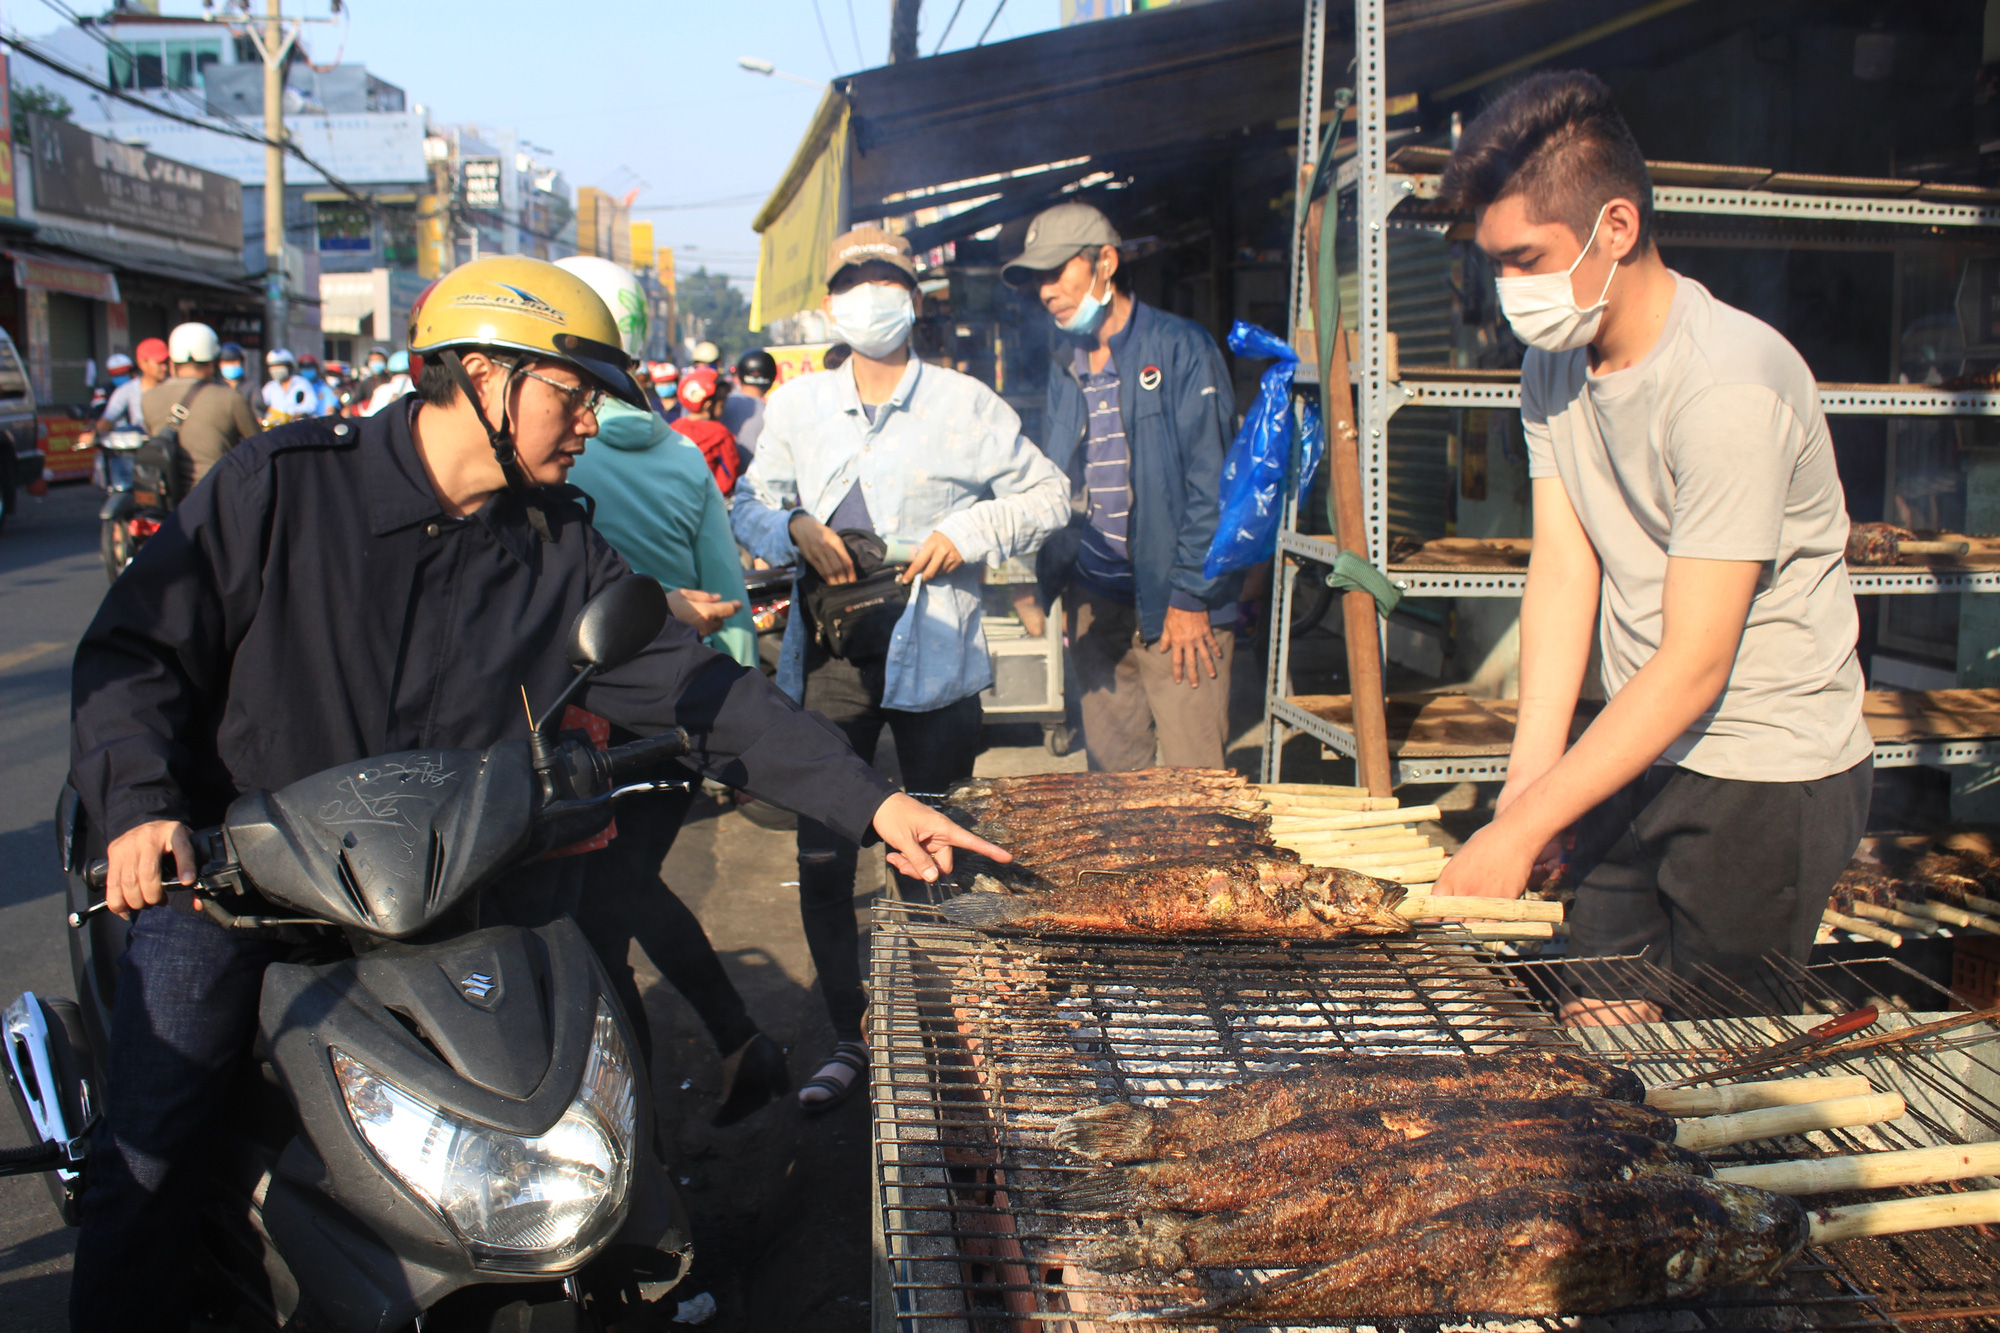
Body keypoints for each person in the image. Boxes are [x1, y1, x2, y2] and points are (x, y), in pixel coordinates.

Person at [67, 255, 1002, 1331]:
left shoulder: (557, 543)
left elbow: (706, 694)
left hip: (448, 904)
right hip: (243, 892)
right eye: (571, 395)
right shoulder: (282, 485)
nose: (589, 425)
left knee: (593, 1119)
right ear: (477, 374)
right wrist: (141, 805)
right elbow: (136, 654)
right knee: (151, 1146)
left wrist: (873, 805)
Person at [1428, 72, 1871, 1020]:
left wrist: (1530, 825)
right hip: (1640, 746)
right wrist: (1526, 790)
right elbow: (1563, 570)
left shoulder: (1728, 387)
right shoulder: (1553, 364)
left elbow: (1696, 663)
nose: (1509, 290)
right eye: (1494, 264)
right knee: (1594, 1024)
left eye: (1525, 258)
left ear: (1616, 228)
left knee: (1725, 1069)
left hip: (1764, 770)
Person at [734, 227, 1069, 1111]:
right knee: (821, 851)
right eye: (851, 280)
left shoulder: (965, 402)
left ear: (912, 299)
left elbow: (1049, 494)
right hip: (833, 657)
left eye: (884, 279)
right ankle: (852, 1033)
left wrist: (970, 532)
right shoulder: (799, 407)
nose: (867, 295)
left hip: (940, 658)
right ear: (833, 301)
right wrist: (793, 529)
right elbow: (749, 504)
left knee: (941, 845)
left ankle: (946, 1026)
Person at [556, 254, 783, 1124]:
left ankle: (633, 1144)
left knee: (600, 926)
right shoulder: (685, 457)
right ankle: (737, 1045)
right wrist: (726, 731)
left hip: (585, 727)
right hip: (678, 717)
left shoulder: (545, 462)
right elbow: (727, 603)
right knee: (624, 895)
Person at [1002, 202, 1240, 772]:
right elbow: (1058, 485)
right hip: (1096, 606)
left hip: (1179, 608)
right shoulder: (1066, 366)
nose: (1046, 291)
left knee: (1194, 792)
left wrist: (1190, 597)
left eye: (1058, 272)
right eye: (1038, 278)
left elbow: (1214, 484)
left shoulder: (1182, 348)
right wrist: (1050, 582)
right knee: (1113, 797)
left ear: (1104, 263)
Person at [141, 322, 263, 494]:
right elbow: (258, 446)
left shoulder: (149, 398)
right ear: (213, 363)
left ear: (172, 363)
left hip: (168, 497)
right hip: (216, 496)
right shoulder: (230, 398)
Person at [671, 366, 741, 495]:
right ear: (709, 405)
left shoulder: (673, 428)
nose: (723, 409)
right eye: (722, 404)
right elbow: (727, 478)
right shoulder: (720, 434)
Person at [95, 338, 170, 438]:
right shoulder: (126, 390)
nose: (164, 367)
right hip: (143, 448)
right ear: (142, 364)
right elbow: (109, 417)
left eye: (166, 362)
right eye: (159, 363)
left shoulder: (176, 387)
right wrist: (94, 435)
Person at [723, 347, 775, 469]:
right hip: (753, 483)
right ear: (772, 378)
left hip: (721, 481)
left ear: (739, 375)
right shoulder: (772, 413)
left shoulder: (721, 404)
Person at [260, 347, 316, 424]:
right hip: (276, 429)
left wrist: (293, 415)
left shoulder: (302, 383)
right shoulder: (269, 387)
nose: (276, 370)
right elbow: (263, 407)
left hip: (297, 427)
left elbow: (310, 405)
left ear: (290, 367)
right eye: (273, 366)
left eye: (280, 366)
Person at [361, 349, 413, 416]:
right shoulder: (419, 388)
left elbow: (370, 416)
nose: (376, 363)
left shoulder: (381, 390)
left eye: (379, 360)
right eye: (373, 360)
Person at [217, 342, 258, 413]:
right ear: (220, 364)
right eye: (227, 362)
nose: (231, 365)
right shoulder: (216, 387)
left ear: (242, 363)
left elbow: (258, 411)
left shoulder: (251, 387)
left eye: (234, 361)